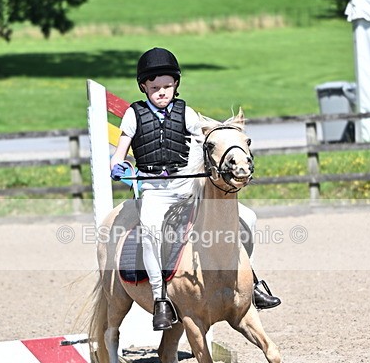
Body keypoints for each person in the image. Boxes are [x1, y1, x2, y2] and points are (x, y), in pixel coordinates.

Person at [110, 47, 281, 331]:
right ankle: (160, 298)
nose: (162, 92)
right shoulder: (133, 115)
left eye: (167, 86)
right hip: (154, 189)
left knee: (247, 218)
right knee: (151, 230)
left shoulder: (186, 113)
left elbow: (203, 146)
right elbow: (121, 151)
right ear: (144, 87)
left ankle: (252, 281)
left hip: (188, 186)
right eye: (155, 88)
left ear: (175, 84)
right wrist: (116, 164)